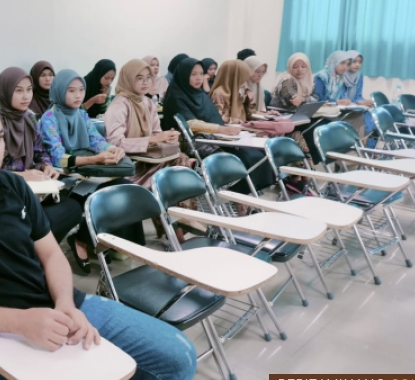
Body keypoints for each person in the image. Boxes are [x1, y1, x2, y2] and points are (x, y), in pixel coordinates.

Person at [0, 89, 197, 380]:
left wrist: (65, 303)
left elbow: (51, 255)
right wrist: (21, 322)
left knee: (178, 359)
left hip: (59, 306)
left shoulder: (13, 185)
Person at [39, 70, 143, 274]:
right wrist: (94, 159)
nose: (78, 96)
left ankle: (104, 240)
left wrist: (114, 150)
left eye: (81, 90)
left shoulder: (81, 115)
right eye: (71, 91)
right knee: (99, 197)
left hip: (88, 172)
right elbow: (57, 157)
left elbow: (97, 141)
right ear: (60, 91)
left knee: (126, 187)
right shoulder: (48, 118)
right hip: (66, 177)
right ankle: (82, 240)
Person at [0, 67, 82, 243]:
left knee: (72, 206)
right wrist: (23, 176)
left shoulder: (30, 118)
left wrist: (46, 166)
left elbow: (41, 152)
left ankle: (37, 252)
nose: (26, 96)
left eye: (29, 90)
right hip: (3, 190)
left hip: (33, 188)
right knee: (38, 217)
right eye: (18, 90)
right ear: (5, 91)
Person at [162, 58, 274, 193]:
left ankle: (246, 195)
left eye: (201, 74)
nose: (199, 78)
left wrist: (228, 129)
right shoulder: (176, 96)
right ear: (184, 75)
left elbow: (215, 119)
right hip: (192, 142)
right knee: (241, 159)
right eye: (193, 74)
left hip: (212, 137)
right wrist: (221, 129)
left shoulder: (200, 94)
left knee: (256, 155)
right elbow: (190, 123)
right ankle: (237, 197)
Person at [105, 59, 190, 189]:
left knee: (180, 163)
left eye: (148, 77)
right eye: (139, 78)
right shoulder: (119, 105)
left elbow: (156, 133)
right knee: (172, 174)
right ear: (128, 79)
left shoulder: (147, 102)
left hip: (149, 159)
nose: (145, 82)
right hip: (129, 164)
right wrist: (153, 139)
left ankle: (172, 206)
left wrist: (167, 138)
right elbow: (115, 143)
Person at [314, 51, 368, 140]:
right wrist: (338, 101)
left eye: (347, 64)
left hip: (333, 110)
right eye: (342, 63)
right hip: (320, 113)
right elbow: (319, 99)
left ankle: (358, 147)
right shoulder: (321, 76)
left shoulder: (339, 77)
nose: (345, 67)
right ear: (334, 61)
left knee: (359, 115)